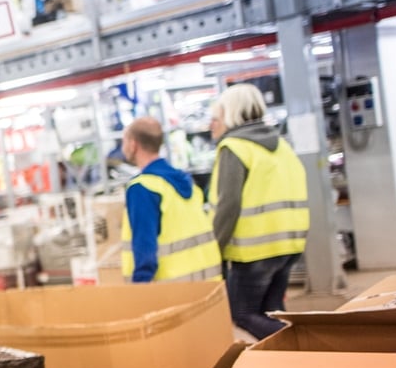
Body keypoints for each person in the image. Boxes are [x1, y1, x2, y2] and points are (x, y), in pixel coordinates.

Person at [209, 83, 309, 340]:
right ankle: (283, 365)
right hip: (289, 246)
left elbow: (228, 205)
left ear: (230, 113)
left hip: (255, 251)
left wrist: (214, 250)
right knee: (272, 312)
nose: (213, 123)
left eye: (216, 116)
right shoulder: (281, 146)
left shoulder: (234, 147)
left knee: (242, 314)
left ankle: (304, 346)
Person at [119, 116, 221, 283]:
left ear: (133, 144)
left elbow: (145, 250)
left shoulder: (143, 188)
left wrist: (138, 291)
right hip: (206, 282)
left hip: (172, 288)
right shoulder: (186, 183)